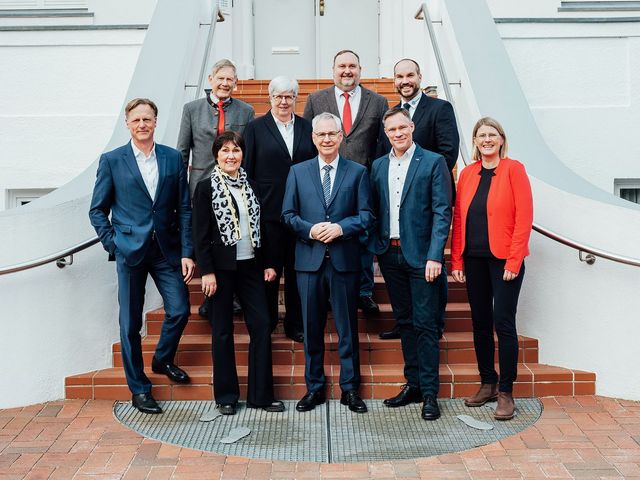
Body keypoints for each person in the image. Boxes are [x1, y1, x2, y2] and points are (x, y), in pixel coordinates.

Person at [89, 98, 194, 414]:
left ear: (155, 121)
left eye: (147, 119)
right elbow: (97, 210)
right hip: (129, 251)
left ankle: (162, 358)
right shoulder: (112, 161)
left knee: (180, 309)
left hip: (166, 249)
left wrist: (187, 252)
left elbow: (185, 209)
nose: (142, 125)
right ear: (127, 123)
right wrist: (113, 244)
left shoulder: (173, 158)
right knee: (130, 323)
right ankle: (140, 389)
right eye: (136, 120)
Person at [282, 112, 374, 414]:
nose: (326, 140)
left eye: (332, 134)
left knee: (347, 329)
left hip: (344, 262)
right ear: (313, 138)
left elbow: (366, 216)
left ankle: (350, 389)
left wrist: (341, 228)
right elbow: (288, 215)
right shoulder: (298, 172)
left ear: (341, 136)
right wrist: (309, 230)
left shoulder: (358, 172)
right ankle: (315, 387)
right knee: (311, 328)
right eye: (321, 135)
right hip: (308, 263)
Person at [191, 131, 284, 415]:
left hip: (251, 266)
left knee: (262, 325)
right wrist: (206, 272)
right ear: (216, 155)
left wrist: (269, 262)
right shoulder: (206, 188)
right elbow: (201, 233)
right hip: (220, 270)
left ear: (242, 154)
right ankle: (227, 396)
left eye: (236, 150)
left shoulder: (251, 186)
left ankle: (260, 396)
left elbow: (263, 228)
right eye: (225, 150)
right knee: (222, 331)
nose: (231, 155)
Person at [368, 106, 452, 421]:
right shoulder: (377, 166)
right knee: (404, 322)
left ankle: (430, 393)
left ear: (412, 126)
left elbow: (443, 211)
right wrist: (375, 248)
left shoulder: (433, 162)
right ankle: (413, 384)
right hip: (390, 255)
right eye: (392, 130)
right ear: (386, 133)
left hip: (422, 258)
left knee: (425, 325)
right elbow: (374, 210)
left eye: (402, 128)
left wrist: (435, 255)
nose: (398, 134)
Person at [451, 117, 533, 421]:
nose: (486, 139)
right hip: (473, 259)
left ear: (501, 139)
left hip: (504, 261)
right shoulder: (468, 174)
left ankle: (507, 392)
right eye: (481, 135)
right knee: (480, 322)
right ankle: (488, 382)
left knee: (503, 322)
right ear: (475, 141)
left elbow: (524, 218)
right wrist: (457, 260)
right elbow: (459, 219)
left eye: (491, 134)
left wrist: (514, 261)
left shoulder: (514, 170)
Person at [377, 58, 459, 341]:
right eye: (399, 76)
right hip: (398, 206)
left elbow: (448, 152)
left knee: (431, 274)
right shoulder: (391, 116)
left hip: (428, 195)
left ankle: (433, 322)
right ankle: (406, 323)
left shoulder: (440, 108)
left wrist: (426, 177)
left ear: (419, 76)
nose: (405, 81)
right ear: (394, 81)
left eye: (410, 75)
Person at [303, 49, 388, 315]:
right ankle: (328, 292)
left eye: (352, 66)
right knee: (329, 234)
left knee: (362, 235)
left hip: (362, 179)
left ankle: (363, 291)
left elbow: (382, 146)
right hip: (327, 179)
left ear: (360, 69)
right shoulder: (316, 99)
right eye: (342, 66)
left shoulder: (378, 101)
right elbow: (309, 140)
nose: (347, 71)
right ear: (334, 70)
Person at [177, 58, 254, 318]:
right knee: (204, 235)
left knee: (231, 237)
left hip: (234, 186)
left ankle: (231, 296)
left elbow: (248, 153)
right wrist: (181, 187)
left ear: (235, 83)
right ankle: (210, 297)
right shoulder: (191, 109)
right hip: (201, 184)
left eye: (230, 79)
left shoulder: (246, 111)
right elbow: (182, 151)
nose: (225, 83)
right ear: (211, 80)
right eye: (220, 78)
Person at [243, 76, 317, 343]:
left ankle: (295, 324)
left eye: (289, 96)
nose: (284, 101)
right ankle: (268, 320)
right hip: (268, 212)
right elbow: (247, 171)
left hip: (302, 211)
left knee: (297, 271)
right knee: (269, 271)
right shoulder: (254, 128)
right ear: (270, 98)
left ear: (296, 99)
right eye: (278, 96)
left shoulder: (309, 127)